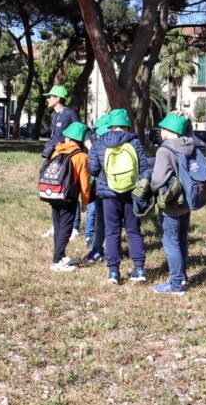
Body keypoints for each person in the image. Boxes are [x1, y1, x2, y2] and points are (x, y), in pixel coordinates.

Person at [87, 108, 151, 284]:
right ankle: (139, 269)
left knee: (112, 232)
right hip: (132, 193)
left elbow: (92, 169)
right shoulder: (134, 142)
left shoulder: (100, 143)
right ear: (127, 126)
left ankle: (114, 272)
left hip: (108, 194)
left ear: (110, 125)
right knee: (133, 231)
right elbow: (145, 168)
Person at [150, 113, 195, 294]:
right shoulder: (190, 144)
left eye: (163, 128)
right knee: (182, 239)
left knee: (170, 241)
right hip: (187, 200)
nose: (161, 131)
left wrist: (150, 188)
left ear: (169, 131)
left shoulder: (164, 150)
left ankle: (176, 284)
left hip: (171, 202)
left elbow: (158, 178)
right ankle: (182, 276)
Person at [42, 122, 92, 272]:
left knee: (58, 226)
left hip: (53, 192)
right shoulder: (82, 157)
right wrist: (85, 201)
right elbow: (84, 182)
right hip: (68, 196)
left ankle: (61, 255)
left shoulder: (57, 151)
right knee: (66, 228)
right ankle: (57, 261)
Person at [40, 85, 79, 239]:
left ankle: (74, 227)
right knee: (55, 187)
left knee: (70, 189)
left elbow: (78, 131)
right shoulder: (53, 116)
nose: (48, 99)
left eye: (50, 96)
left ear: (57, 98)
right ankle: (56, 226)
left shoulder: (69, 113)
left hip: (69, 157)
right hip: (55, 157)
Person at [82, 114, 109, 263]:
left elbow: (93, 168)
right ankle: (111, 249)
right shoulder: (129, 144)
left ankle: (98, 248)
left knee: (101, 220)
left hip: (102, 189)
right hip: (123, 191)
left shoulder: (97, 146)